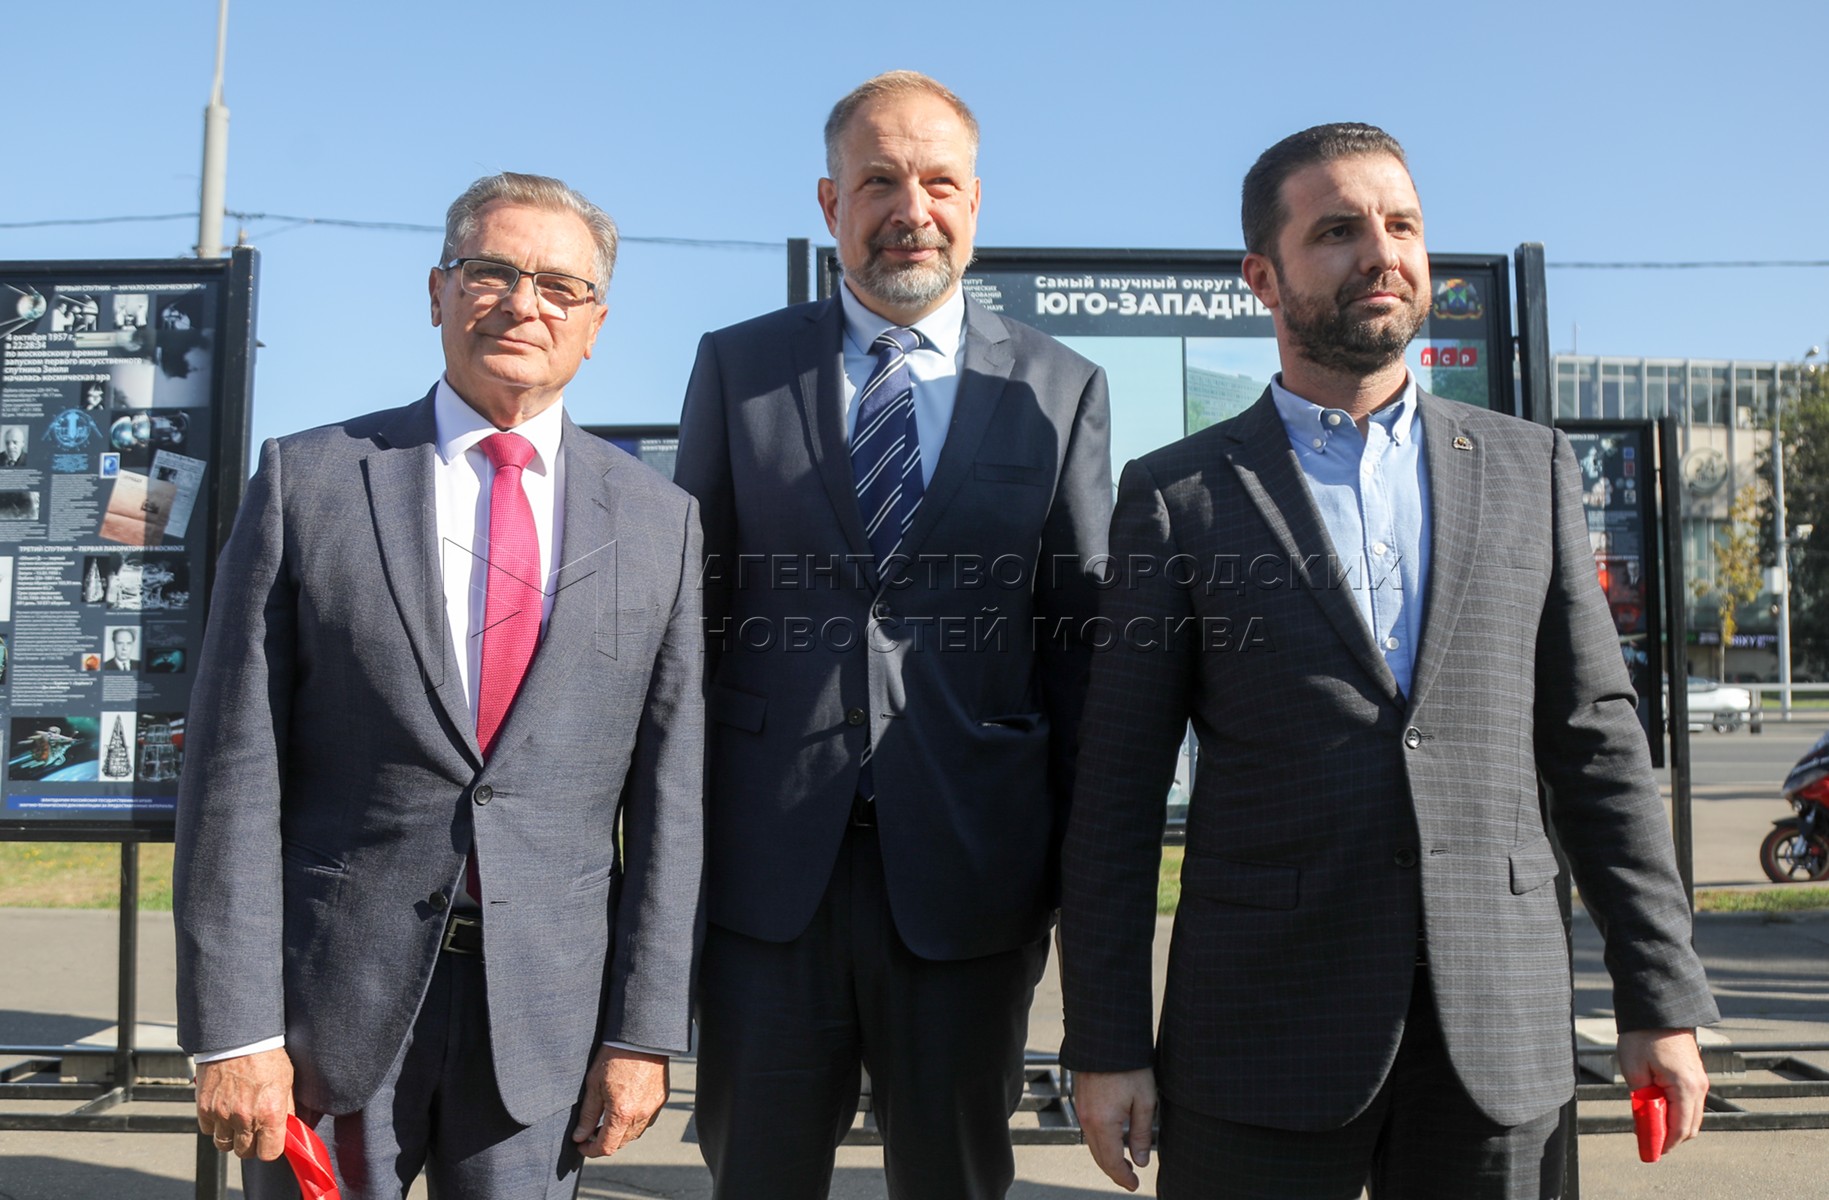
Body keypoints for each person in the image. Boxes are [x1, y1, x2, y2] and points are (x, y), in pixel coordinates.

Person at [1058, 123, 1718, 1199]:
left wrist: (1659, 997)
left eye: (1401, 225)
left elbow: (1596, 744)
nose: (1381, 254)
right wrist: (1105, 1041)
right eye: (1336, 231)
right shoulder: (1177, 496)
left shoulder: (1529, 468)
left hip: (1496, 1039)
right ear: (1261, 277)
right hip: (1260, 1037)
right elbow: (1117, 790)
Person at [173, 172, 704, 1200]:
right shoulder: (308, 481)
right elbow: (234, 774)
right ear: (437, 291)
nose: (523, 304)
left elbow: (669, 804)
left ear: (594, 324)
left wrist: (644, 1032)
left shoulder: (658, 522)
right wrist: (233, 1032)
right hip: (325, 1019)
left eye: (560, 285)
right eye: (491, 271)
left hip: (544, 1026)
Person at [674, 70, 1112, 1200]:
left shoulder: (1060, 389)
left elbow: (1075, 649)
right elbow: (690, 624)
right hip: (767, 877)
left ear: (975, 203)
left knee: (955, 1181)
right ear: (831, 203)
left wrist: (1079, 885)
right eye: (877, 181)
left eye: (938, 182)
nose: (909, 209)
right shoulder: (738, 367)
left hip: (970, 874)